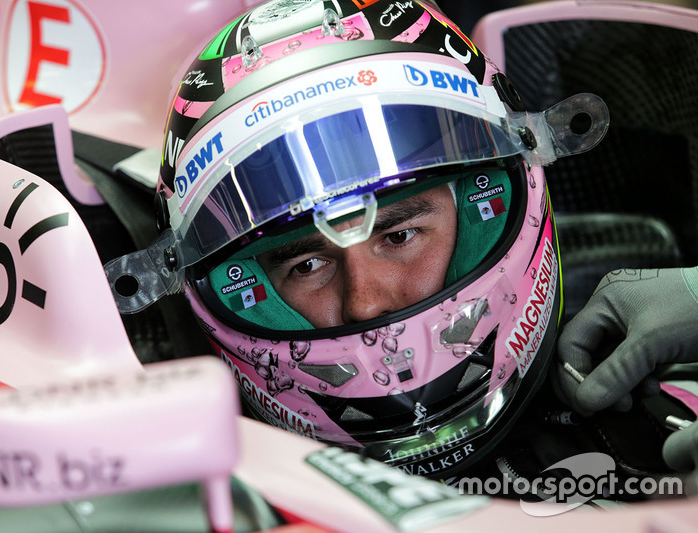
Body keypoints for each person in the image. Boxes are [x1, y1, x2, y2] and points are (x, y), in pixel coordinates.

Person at [105, 0, 697, 495]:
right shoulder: (208, 480)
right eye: (307, 264)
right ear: (245, 288)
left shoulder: (665, 388)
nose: (366, 303)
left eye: (399, 234)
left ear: (483, 207)